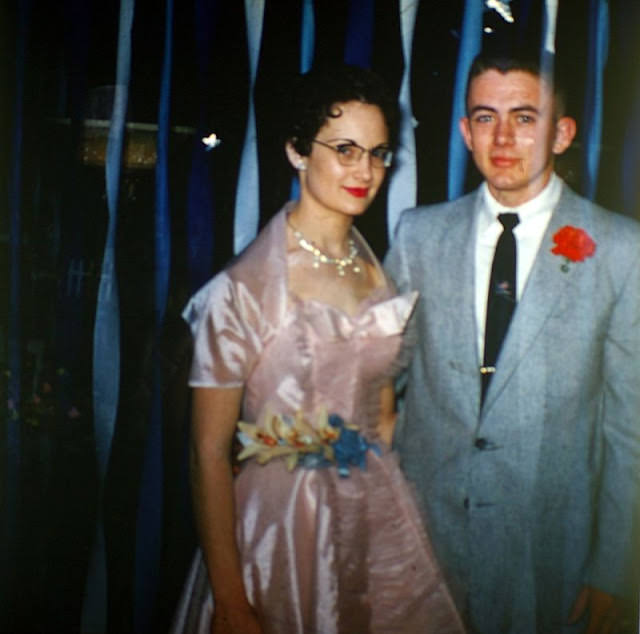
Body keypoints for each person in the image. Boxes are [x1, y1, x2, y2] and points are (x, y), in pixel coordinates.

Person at [170, 65, 465, 634]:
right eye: (346, 150)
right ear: (297, 152)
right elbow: (207, 453)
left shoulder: (373, 268)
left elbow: (381, 417)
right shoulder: (244, 287)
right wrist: (230, 598)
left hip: (374, 511)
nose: (365, 171)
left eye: (378, 153)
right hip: (282, 524)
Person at [385, 52, 640, 633]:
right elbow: (376, 380)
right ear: (464, 131)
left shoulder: (623, 251)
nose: (503, 137)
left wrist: (616, 570)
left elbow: (632, 430)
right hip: (422, 547)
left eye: (525, 117)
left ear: (561, 133)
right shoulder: (417, 236)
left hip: (552, 558)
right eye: (484, 116)